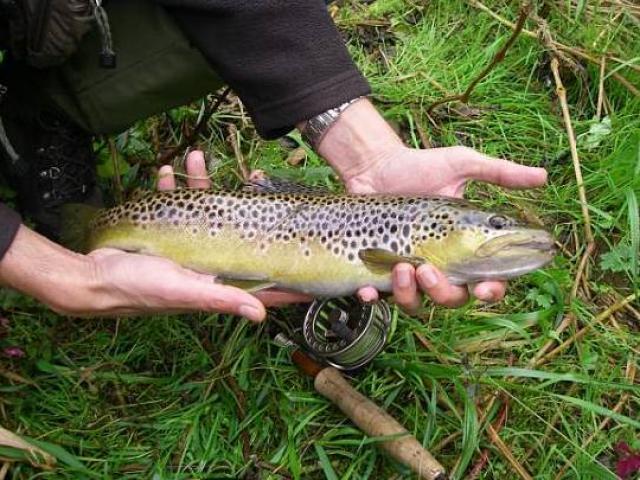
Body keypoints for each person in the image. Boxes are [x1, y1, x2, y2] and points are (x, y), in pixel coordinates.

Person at [0, 0, 547, 322]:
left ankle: (41, 109)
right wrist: (61, 276)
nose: (502, 233)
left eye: (494, 225)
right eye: (493, 225)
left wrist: (369, 151)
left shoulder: (407, 235)